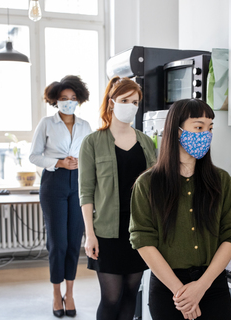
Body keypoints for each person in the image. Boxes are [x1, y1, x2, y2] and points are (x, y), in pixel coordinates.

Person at [130, 99, 231, 320]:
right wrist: (181, 293)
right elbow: (142, 240)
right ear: (177, 130)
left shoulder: (223, 181)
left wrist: (201, 287)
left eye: (210, 128)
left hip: (212, 286)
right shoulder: (147, 184)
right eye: (199, 127)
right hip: (168, 289)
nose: (206, 134)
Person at [78, 76, 157, 320]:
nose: (131, 106)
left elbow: (155, 188)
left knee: (131, 294)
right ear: (111, 102)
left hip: (139, 231)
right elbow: (86, 192)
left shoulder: (145, 142)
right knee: (111, 297)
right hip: (106, 232)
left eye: (135, 102)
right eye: (125, 100)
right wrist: (89, 234)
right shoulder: (92, 142)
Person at [29, 75, 92, 318]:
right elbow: (34, 156)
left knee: (74, 242)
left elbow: (89, 154)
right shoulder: (46, 123)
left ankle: (71, 292)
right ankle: (56, 293)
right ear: (56, 100)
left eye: (73, 99)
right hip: (53, 183)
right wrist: (59, 162)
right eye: (64, 99)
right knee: (58, 243)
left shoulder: (85, 126)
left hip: (78, 183)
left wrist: (80, 163)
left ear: (79, 100)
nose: (68, 102)